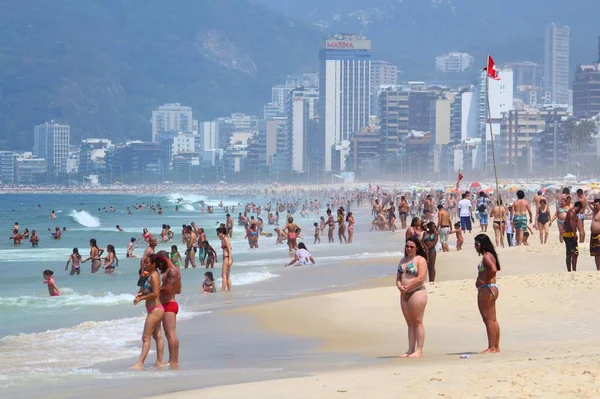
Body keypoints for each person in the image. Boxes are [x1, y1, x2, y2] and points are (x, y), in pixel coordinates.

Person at [396, 237, 428, 358]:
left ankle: (419, 349)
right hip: (404, 293)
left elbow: (421, 277)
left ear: (417, 248)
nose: (409, 249)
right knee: (410, 323)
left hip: (417, 292)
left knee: (418, 321)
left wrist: (408, 286)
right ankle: (410, 349)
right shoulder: (402, 261)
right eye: (407, 246)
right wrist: (400, 286)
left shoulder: (420, 260)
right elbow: (398, 278)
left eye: (411, 247)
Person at [131, 254, 164, 369]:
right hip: (156, 309)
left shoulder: (154, 276)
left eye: (148, 263)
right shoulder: (152, 275)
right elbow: (150, 291)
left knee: (146, 337)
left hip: (155, 310)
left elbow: (155, 293)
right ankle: (159, 362)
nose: (145, 264)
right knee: (157, 335)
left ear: (154, 265)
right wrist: (142, 293)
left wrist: (141, 298)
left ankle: (140, 363)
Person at [474, 234, 500, 354]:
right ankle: (495, 346)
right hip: (490, 287)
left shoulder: (486, 257)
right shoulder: (489, 255)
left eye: (477, 244)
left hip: (487, 288)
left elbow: (493, 270)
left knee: (488, 320)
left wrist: (484, 281)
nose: (475, 247)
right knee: (492, 320)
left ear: (483, 244)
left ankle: (492, 347)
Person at [156, 250, 182, 368]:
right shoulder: (174, 271)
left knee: (170, 334)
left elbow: (169, 288)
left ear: (164, 259)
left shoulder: (171, 271)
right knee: (171, 334)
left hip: (169, 305)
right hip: (171, 302)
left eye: (159, 262)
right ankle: (174, 359)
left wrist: (155, 290)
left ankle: (172, 360)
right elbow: (179, 289)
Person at [563, 202, 582, 272]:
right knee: (570, 253)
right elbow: (571, 223)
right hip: (569, 235)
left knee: (575, 252)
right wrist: (574, 233)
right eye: (580, 209)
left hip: (571, 234)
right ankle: (569, 270)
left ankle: (574, 270)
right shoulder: (572, 212)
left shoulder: (573, 213)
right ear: (578, 207)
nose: (579, 211)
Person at [217, 227, 233, 292]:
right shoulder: (223, 239)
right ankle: (229, 290)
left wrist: (229, 259)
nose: (217, 235)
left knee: (223, 274)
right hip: (226, 257)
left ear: (221, 233)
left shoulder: (225, 238)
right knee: (227, 275)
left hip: (227, 257)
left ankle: (223, 290)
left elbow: (229, 249)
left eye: (218, 233)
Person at [589, 198, 600, 271]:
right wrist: (595, 201)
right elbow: (588, 202)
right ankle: (598, 269)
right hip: (593, 235)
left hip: (599, 235)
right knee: (596, 253)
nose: (595, 206)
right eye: (594, 205)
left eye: (596, 205)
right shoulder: (594, 211)